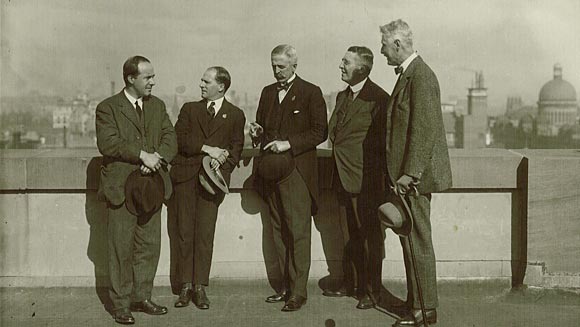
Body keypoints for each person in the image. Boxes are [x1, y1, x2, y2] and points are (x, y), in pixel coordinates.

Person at [379, 20, 452, 326]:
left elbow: (423, 130)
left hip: (413, 181)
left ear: (398, 44)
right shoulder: (411, 75)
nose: (381, 50)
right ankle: (417, 303)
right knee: (411, 240)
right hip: (406, 179)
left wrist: (410, 175)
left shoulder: (421, 76)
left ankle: (425, 310)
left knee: (417, 240)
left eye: (384, 44)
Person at [96, 55, 177, 325]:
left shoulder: (157, 106)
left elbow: (170, 138)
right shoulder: (108, 108)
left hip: (151, 186)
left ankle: (142, 297)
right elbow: (109, 144)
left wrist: (157, 158)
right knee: (121, 247)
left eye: (153, 77)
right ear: (131, 78)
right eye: (148, 77)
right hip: (121, 188)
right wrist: (143, 155)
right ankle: (120, 305)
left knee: (149, 245)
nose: (153, 82)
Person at [250, 44, 328, 312]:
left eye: (281, 66)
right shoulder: (267, 92)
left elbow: (320, 132)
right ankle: (285, 287)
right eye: (273, 65)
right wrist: (257, 133)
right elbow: (263, 130)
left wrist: (288, 143)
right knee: (277, 229)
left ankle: (298, 291)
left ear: (294, 65)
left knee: (297, 232)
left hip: (296, 173)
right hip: (271, 172)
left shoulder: (311, 92)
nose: (276, 71)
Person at [169, 67, 246, 310]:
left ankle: (200, 287)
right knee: (184, 232)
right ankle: (185, 287)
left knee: (204, 234)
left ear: (221, 86)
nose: (201, 85)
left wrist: (221, 162)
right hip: (186, 178)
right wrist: (208, 149)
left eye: (206, 81)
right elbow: (178, 139)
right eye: (202, 81)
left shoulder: (235, 114)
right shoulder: (190, 109)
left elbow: (235, 150)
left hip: (212, 182)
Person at [326, 46, 390, 309]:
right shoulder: (342, 96)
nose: (340, 65)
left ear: (361, 69)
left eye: (346, 62)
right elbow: (334, 133)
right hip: (342, 177)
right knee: (349, 235)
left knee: (370, 237)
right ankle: (350, 283)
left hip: (366, 181)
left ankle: (372, 292)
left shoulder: (379, 99)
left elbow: (384, 143)